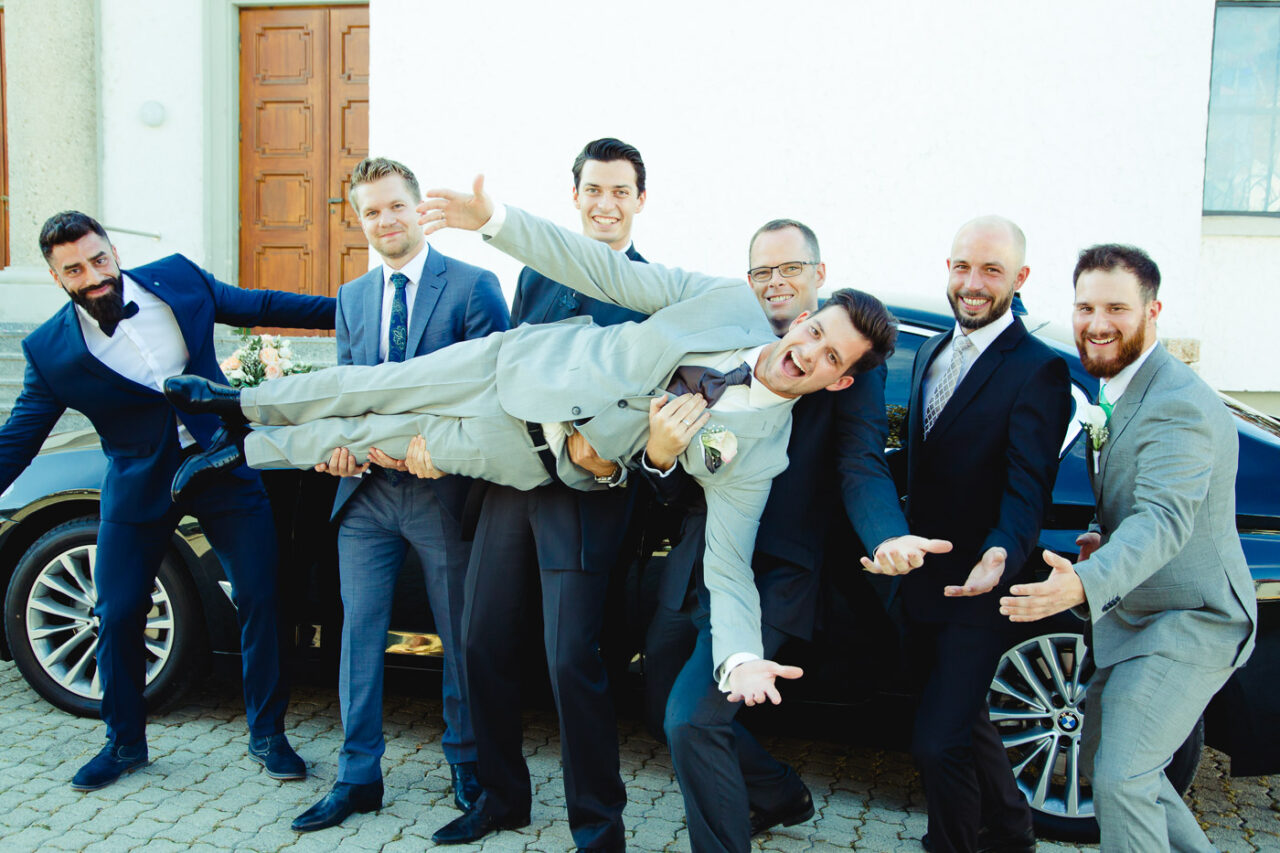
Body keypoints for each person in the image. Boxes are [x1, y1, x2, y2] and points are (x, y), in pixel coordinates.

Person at [165, 181, 898, 727]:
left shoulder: (761, 454)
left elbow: (728, 566)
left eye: (827, 357)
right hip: (515, 364)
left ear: (840, 377)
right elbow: (606, 273)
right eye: (812, 334)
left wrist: (739, 656)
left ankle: (242, 452)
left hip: (526, 452)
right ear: (803, 319)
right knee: (376, 386)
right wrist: (497, 222)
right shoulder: (726, 302)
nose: (804, 354)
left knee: (375, 438)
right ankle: (232, 404)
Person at [639, 219, 950, 851]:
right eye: (763, 271)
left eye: (791, 270)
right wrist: (660, 456)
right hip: (699, 560)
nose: (776, 282)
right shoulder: (728, 340)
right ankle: (780, 792)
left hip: (774, 574)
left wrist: (886, 535)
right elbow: (679, 475)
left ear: (819, 277)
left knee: (693, 722)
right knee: (658, 704)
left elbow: (861, 465)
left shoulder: (844, 364)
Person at [0, 211, 335, 791]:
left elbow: (258, 306)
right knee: (118, 611)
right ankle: (124, 742)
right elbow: (19, 439)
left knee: (261, 596)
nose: (95, 275)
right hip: (138, 482)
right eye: (76, 268)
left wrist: (350, 311)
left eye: (100, 259)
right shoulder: (50, 352)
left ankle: (268, 734)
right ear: (58, 278)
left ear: (113, 252)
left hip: (221, 465)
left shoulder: (178, 279)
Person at [1001, 244, 1256, 852]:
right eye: (1086, 307)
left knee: (1121, 776)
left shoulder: (1176, 405)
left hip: (1192, 616)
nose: (1097, 323)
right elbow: (1139, 503)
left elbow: (1166, 517)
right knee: (1106, 762)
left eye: (1116, 307)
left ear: (1153, 310)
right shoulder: (1122, 386)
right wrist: (1103, 539)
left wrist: (1083, 583)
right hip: (1141, 611)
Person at [430, 139, 648, 849]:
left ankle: (598, 824)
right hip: (512, 482)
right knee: (479, 639)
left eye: (620, 190)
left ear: (640, 200)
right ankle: (501, 798)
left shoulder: (650, 287)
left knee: (568, 660)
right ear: (576, 195)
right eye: (594, 189)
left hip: (584, 494)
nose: (606, 203)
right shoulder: (535, 275)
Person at [289, 157, 509, 832]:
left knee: (457, 633)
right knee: (358, 635)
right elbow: (346, 391)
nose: (384, 220)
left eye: (394, 206)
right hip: (365, 496)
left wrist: (437, 450)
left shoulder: (474, 286)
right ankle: (359, 776)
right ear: (360, 222)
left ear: (419, 209)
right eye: (370, 212)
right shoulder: (353, 296)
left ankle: (468, 764)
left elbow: (493, 392)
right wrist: (334, 440)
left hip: (441, 493)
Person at [862, 216, 1071, 853]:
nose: (972, 284)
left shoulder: (1039, 370)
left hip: (982, 589)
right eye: (962, 267)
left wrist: (1003, 550)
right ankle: (1011, 832)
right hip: (921, 580)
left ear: (1020, 279)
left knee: (937, 739)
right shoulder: (929, 351)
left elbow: (1028, 483)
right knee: (966, 721)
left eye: (991, 271)